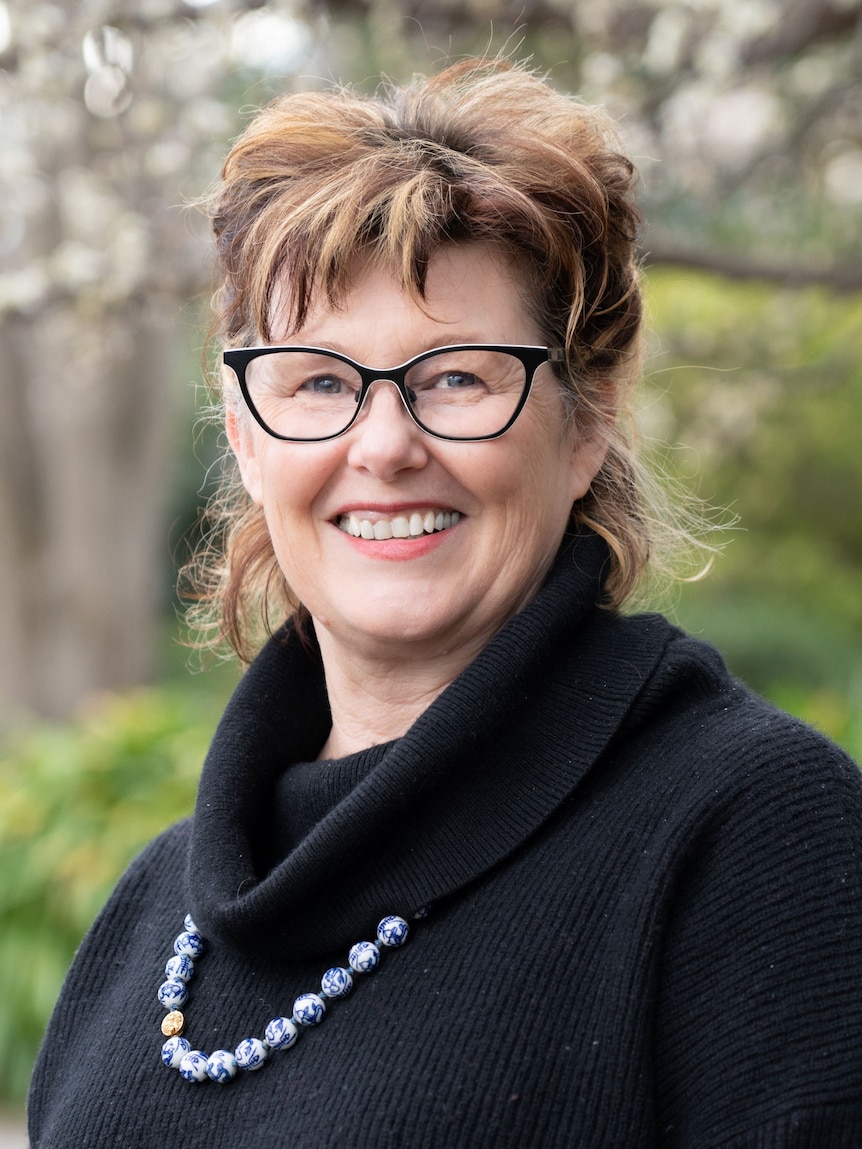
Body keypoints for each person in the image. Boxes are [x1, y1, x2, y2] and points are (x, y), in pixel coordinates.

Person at [29, 58, 862, 1147]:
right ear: (243, 430)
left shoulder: (753, 838)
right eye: (319, 381)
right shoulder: (151, 911)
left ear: (588, 419)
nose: (383, 446)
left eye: (457, 377)